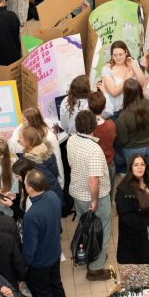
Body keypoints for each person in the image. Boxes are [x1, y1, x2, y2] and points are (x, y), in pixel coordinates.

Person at [65, 111, 113, 281]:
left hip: (77, 193)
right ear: (94, 127)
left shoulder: (71, 140)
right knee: (101, 230)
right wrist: (95, 200)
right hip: (93, 198)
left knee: (85, 228)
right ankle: (95, 269)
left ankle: (87, 254)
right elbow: (93, 180)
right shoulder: (94, 150)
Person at [21, 169, 69, 297]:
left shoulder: (31, 216)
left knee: (44, 296)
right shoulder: (52, 196)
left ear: (30, 188)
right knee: (56, 286)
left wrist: (25, 265)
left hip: (39, 263)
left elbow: (30, 247)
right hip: (54, 254)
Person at [115, 155, 149, 264]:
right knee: (146, 266)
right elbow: (127, 218)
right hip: (140, 239)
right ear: (130, 168)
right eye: (136, 165)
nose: (140, 168)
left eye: (142, 164)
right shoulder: (124, 192)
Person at [115, 79, 149, 166]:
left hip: (133, 149)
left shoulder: (123, 117)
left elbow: (122, 140)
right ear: (140, 90)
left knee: (135, 173)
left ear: (125, 94)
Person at [18, 127, 62, 201]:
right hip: (55, 191)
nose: (18, 139)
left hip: (46, 197)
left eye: (20, 137)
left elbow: (40, 182)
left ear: (28, 141)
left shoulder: (33, 161)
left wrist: (23, 178)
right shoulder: (47, 150)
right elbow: (55, 172)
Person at [101, 41, 137, 120]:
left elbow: (143, 83)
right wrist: (127, 78)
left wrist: (134, 67)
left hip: (132, 108)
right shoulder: (107, 69)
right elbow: (114, 92)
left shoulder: (132, 63)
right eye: (115, 55)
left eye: (120, 54)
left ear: (126, 52)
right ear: (111, 55)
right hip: (115, 111)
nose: (118, 58)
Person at [89, 91, 116, 187]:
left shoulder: (89, 129)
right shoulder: (111, 124)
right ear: (104, 107)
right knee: (110, 188)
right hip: (109, 162)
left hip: (94, 165)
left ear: (89, 107)